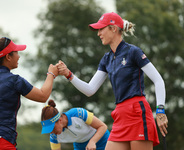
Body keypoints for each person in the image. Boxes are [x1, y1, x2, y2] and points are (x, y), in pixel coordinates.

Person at [56, 12, 168, 150]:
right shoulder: (106, 59)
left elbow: (158, 80)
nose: (98, 33)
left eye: (101, 29)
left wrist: (160, 110)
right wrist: (69, 75)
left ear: (113, 28)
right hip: (120, 115)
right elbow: (90, 90)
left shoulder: (133, 51)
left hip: (137, 113)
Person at [0, 37, 58, 150]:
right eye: (16, 53)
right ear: (8, 57)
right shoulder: (15, 81)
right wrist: (51, 74)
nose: (19, 56)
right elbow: (43, 96)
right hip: (1, 141)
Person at [41, 99, 110, 150]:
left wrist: (93, 141)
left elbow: (103, 126)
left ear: (60, 120)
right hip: (81, 146)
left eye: (52, 128)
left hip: (102, 139)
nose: (52, 132)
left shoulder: (78, 113)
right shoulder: (54, 136)